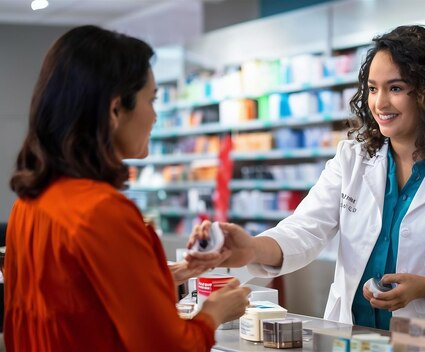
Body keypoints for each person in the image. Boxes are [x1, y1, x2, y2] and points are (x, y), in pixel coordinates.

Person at [189, 24, 425, 330]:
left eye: (395, 88)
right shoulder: (352, 160)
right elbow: (305, 230)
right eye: (372, 89)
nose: (379, 103)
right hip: (349, 338)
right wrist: (253, 248)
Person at [4, 25, 250, 351]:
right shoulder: (104, 212)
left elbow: (75, 305)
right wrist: (215, 312)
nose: (155, 116)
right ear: (116, 109)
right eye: (152, 100)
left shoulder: (29, 204)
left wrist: (166, 274)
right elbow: (168, 347)